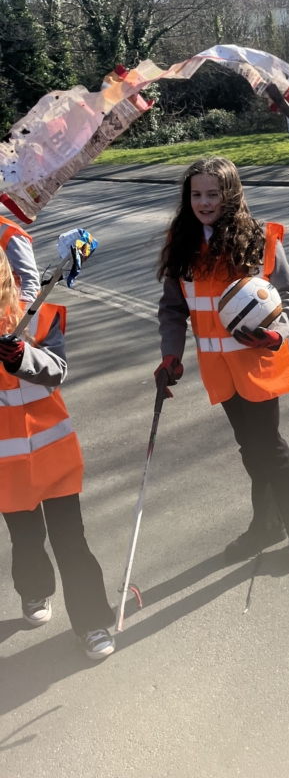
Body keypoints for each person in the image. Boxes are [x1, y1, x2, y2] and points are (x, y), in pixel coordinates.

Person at [155, 156, 289, 564]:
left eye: (213, 193)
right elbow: (173, 309)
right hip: (219, 369)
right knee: (251, 448)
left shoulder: (260, 239)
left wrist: (276, 332)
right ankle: (266, 524)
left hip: (258, 361)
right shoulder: (181, 244)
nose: (204, 202)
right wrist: (170, 356)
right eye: (196, 194)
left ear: (231, 194)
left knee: (268, 446)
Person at [0, 246, 115, 660]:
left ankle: (92, 621)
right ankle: (34, 592)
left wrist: (23, 357)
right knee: (26, 539)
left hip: (54, 454)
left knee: (72, 541)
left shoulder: (38, 315)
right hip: (6, 466)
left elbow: (58, 370)